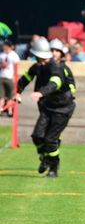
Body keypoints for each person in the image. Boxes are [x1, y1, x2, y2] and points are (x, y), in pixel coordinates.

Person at [16, 38, 76, 178]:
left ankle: (54, 168)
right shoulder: (37, 66)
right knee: (37, 136)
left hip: (62, 109)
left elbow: (55, 83)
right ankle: (45, 158)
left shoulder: (58, 67)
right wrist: (17, 92)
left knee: (50, 139)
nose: (42, 61)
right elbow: (25, 79)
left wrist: (41, 92)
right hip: (47, 107)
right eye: (40, 58)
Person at [0, 40, 20, 116]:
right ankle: (1, 110)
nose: (4, 47)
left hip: (10, 77)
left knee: (10, 96)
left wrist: (15, 78)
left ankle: (9, 111)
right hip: (1, 77)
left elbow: (16, 67)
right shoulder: (1, 55)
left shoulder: (14, 55)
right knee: (1, 96)